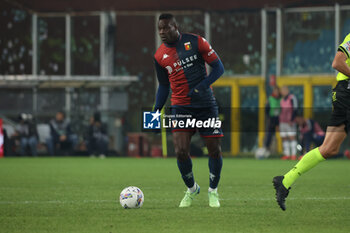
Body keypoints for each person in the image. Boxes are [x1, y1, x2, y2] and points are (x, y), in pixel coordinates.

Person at [153, 13, 224, 208]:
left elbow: (219, 68)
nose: (162, 32)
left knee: (214, 150)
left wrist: (202, 86)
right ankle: (192, 189)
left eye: (166, 28)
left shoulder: (196, 41)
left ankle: (213, 191)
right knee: (181, 152)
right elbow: (163, 87)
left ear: (176, 27)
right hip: (181, 106)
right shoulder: (159, 56)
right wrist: (154, 112)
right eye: (159, 29)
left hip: (206, 105)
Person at [273, 33, 350, 211]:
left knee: (329, 148)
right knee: (329, 148)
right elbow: (337, 63)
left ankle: (285, 180)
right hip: (346, 94)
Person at [279, 86, 298, 160]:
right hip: (282, 121)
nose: (283, 92)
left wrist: (292, 119)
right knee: (284, 137)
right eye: (282, 90)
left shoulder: (292, 98)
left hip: (290, 121)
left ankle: (293, 154)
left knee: (292, 137)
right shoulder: (281, 100)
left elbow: (295, 109)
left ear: (287, 90)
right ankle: (287, 154)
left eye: (284, 90)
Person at [263, 86, 281, 154]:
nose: (276, 92)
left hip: (280, 118)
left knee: (283, 135)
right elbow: (266, 109)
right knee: (269, 134)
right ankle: (266, 149)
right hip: (272, 118)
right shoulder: (270, 98)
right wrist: (269, 118)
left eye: (277, 91)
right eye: (275, 91)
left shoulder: (281, 98)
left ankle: (284, 151)